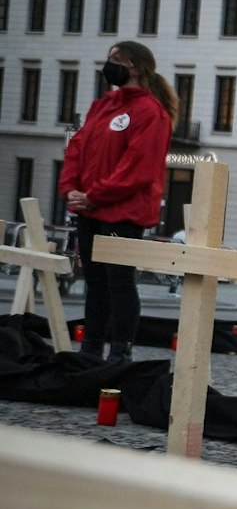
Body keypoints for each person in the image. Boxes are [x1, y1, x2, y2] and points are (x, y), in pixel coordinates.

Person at [58, 41, 176, 362]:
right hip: (90, 209)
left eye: (114, 60)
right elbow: (78, 149)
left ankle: (119, 353)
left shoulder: (151, 113)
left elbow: (139, 168)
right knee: (94, 282)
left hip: (122, 213)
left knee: (119, 282)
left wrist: (94, 195)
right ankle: (91, 349)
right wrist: (70, 188)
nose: (107, 65)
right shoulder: (104, 105)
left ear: (135, 67)